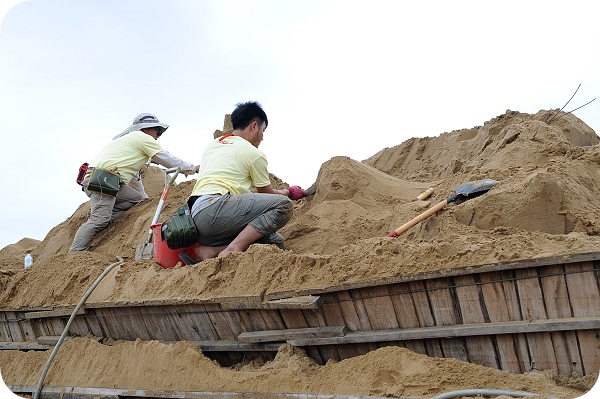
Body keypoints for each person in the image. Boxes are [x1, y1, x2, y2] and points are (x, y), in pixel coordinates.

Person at [183, 101, 306, 262]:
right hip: (216, 209)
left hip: (197, 220)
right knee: (283, 205)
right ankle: (234, 249)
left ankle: (210, 251)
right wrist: (288, 192)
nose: (263, 136)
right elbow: (266, 193)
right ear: (254, 126)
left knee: (273, 240)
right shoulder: (253, 153)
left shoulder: (213, 145)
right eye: (263, 130)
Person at [69, 113, 199, 252]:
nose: (158, 135)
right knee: (99, 219)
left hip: (106, 181)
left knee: (136, 199)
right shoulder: (142, 138)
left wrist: (145, 201)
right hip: (104, 181)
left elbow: (135, 178)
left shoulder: (129, 142)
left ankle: (106, 219)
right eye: (157, 130)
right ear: (146, 129)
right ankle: (75, 253)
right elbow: (166, 158)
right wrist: (193, 168)